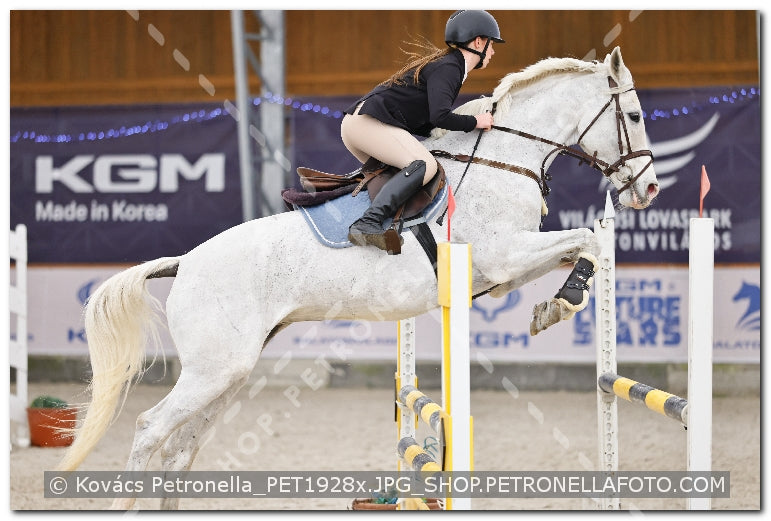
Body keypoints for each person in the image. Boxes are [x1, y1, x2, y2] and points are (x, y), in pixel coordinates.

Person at [341, 10, 504, 251]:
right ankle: (367, 223)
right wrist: (476, 121)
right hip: (367, 124)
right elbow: (440, 117)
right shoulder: (450, 67)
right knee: (424, 165)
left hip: (360, 125)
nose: (493, 51)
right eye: (491, 45)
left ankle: (394, 230)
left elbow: (427, 121)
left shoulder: (450, 66)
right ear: (478, 42)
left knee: (408, 178)